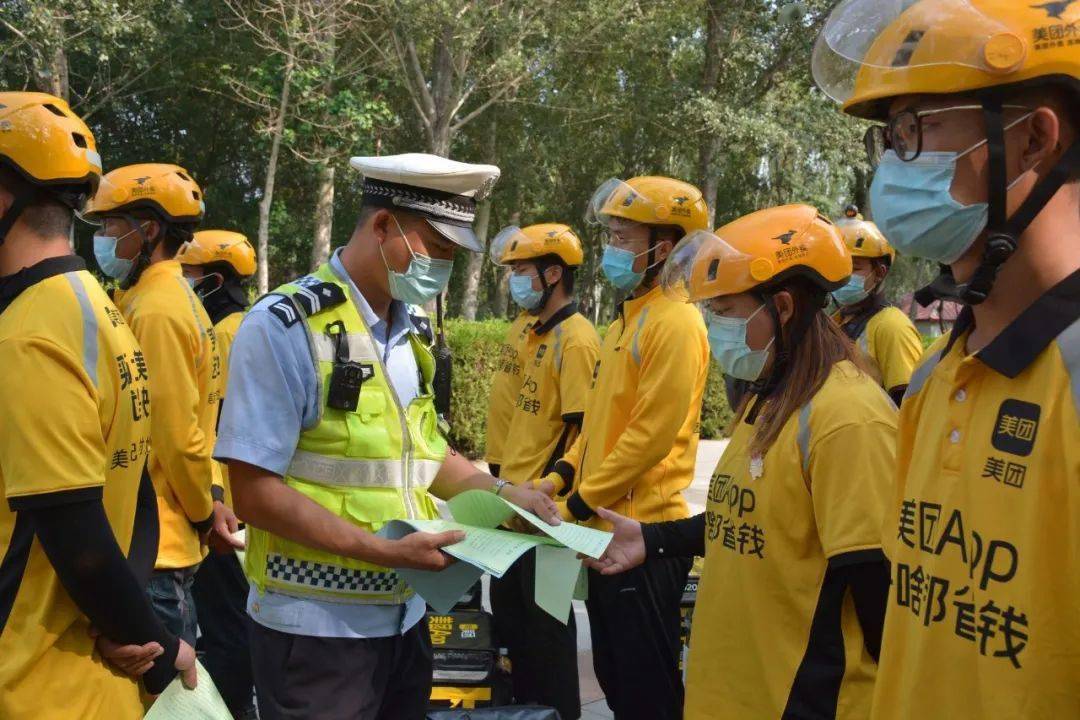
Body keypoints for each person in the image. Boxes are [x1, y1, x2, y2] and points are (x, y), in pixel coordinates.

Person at [214, 152, 561, 720]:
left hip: (406, 619)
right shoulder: (284, 327)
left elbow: (425, 456)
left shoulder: (413, 331)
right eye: (438, 250)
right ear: (382, 227)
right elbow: (254, 493)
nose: (443, 269)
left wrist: (503, 496)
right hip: (317, 631)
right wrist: (383, 552)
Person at [813, 1, 1080, 717]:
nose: (894, 164)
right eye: (892, 135)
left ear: (1033, 142)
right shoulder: (936, 378)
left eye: (917, 129)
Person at [584, 204, 898, 719]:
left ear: (782, 305)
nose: (712, 327)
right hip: (733, 695)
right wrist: (653, 539)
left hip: (796, 702)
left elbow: (878, 597)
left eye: (725, 311)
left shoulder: (848, 420)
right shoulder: (769, 397)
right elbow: (750, 515)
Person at [0, 91, 195, 719]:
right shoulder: (95, 306)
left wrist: (155, 645)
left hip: (29, 679)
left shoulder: (28, 333)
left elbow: (72, 523)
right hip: (94, 676)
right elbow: (131, 480)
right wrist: (136, 626)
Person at [535, 176, 710, 720]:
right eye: (611, 233)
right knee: (614, 674)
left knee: (647, 693)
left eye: (624, 237)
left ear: (668, 244)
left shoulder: (676, 321)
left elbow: (648, 438)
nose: (613, 247)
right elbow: (600, 422)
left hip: (641, 532)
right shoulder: (628, 318)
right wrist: (558, 478)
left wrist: (577, 507)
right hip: (605, 532)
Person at [84, 164, 237, 647]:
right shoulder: (167, 298)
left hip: (157, 540)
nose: (103, 238)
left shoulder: (156, 311)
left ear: (146, 230)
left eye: (110, 226)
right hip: (162, 534)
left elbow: (177, 435)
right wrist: (210, 497)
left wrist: (200, 511)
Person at [485, 222, 600, 720]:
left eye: (522, 271)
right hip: (507, 509)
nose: (514, 281)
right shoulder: (526, 329)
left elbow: (581, 436)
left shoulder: (576, 341)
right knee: (514, 640)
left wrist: (551, 491)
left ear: (554, 273)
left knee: (549, 640)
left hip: (546, 518)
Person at [177, 229, 258, 719]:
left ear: (215, 279)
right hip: (229, 497)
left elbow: (216, 421)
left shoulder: (227, 333)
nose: (184, 282)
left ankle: (230, 708)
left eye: (189, 274)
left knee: (225, 622)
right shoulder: (239, 326)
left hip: (221, 500)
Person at [831, 205, 922, 404]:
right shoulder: (834, 322)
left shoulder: (892, 326)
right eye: (838, 267)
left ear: (880, 272)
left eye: (854, 267)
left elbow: (910, 406)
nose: (843, 276)